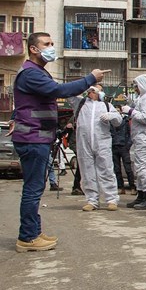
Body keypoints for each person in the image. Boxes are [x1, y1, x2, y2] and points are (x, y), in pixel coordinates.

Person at [8, 32, 109, 252]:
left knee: (35, 188)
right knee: (33, 189)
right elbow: (58, 91)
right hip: (33, 138)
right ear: (33, 49)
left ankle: (33, 231)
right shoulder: (31, 73)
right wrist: (90, 79)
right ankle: (27, 237)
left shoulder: (36, 72)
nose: (51, 47)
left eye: (52, 43)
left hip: (37, 137)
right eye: (47, 44)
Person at [76, 84, 123, 211]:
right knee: (87, 171)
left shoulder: (106, 105)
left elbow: (118, 121)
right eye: (95, 89)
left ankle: (111, 199)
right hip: (84, 142)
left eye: (99, 90)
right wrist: (85, 86)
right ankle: (92, 200)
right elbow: (69, 94)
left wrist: (112, 116)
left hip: (102, 142)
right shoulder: (80, 103)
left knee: (106, 169)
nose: (97, 92)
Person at [122, 74, 146, 210]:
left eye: (136, 86)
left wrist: (130, 111)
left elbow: (145, 118)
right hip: (141, 137)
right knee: (139, 168)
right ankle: (142, 195)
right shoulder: (144, 98)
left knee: (143, 168)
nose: (135, 88)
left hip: (145, 137)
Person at [110, 113, 135, 195]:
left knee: (128, 168)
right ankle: (120, 187)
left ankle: (132, 186)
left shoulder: (126, 121)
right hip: (114, 146)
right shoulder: (111, 122)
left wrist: (127, 146)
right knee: (117, 169)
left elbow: (131, 134)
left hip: (124, 147)